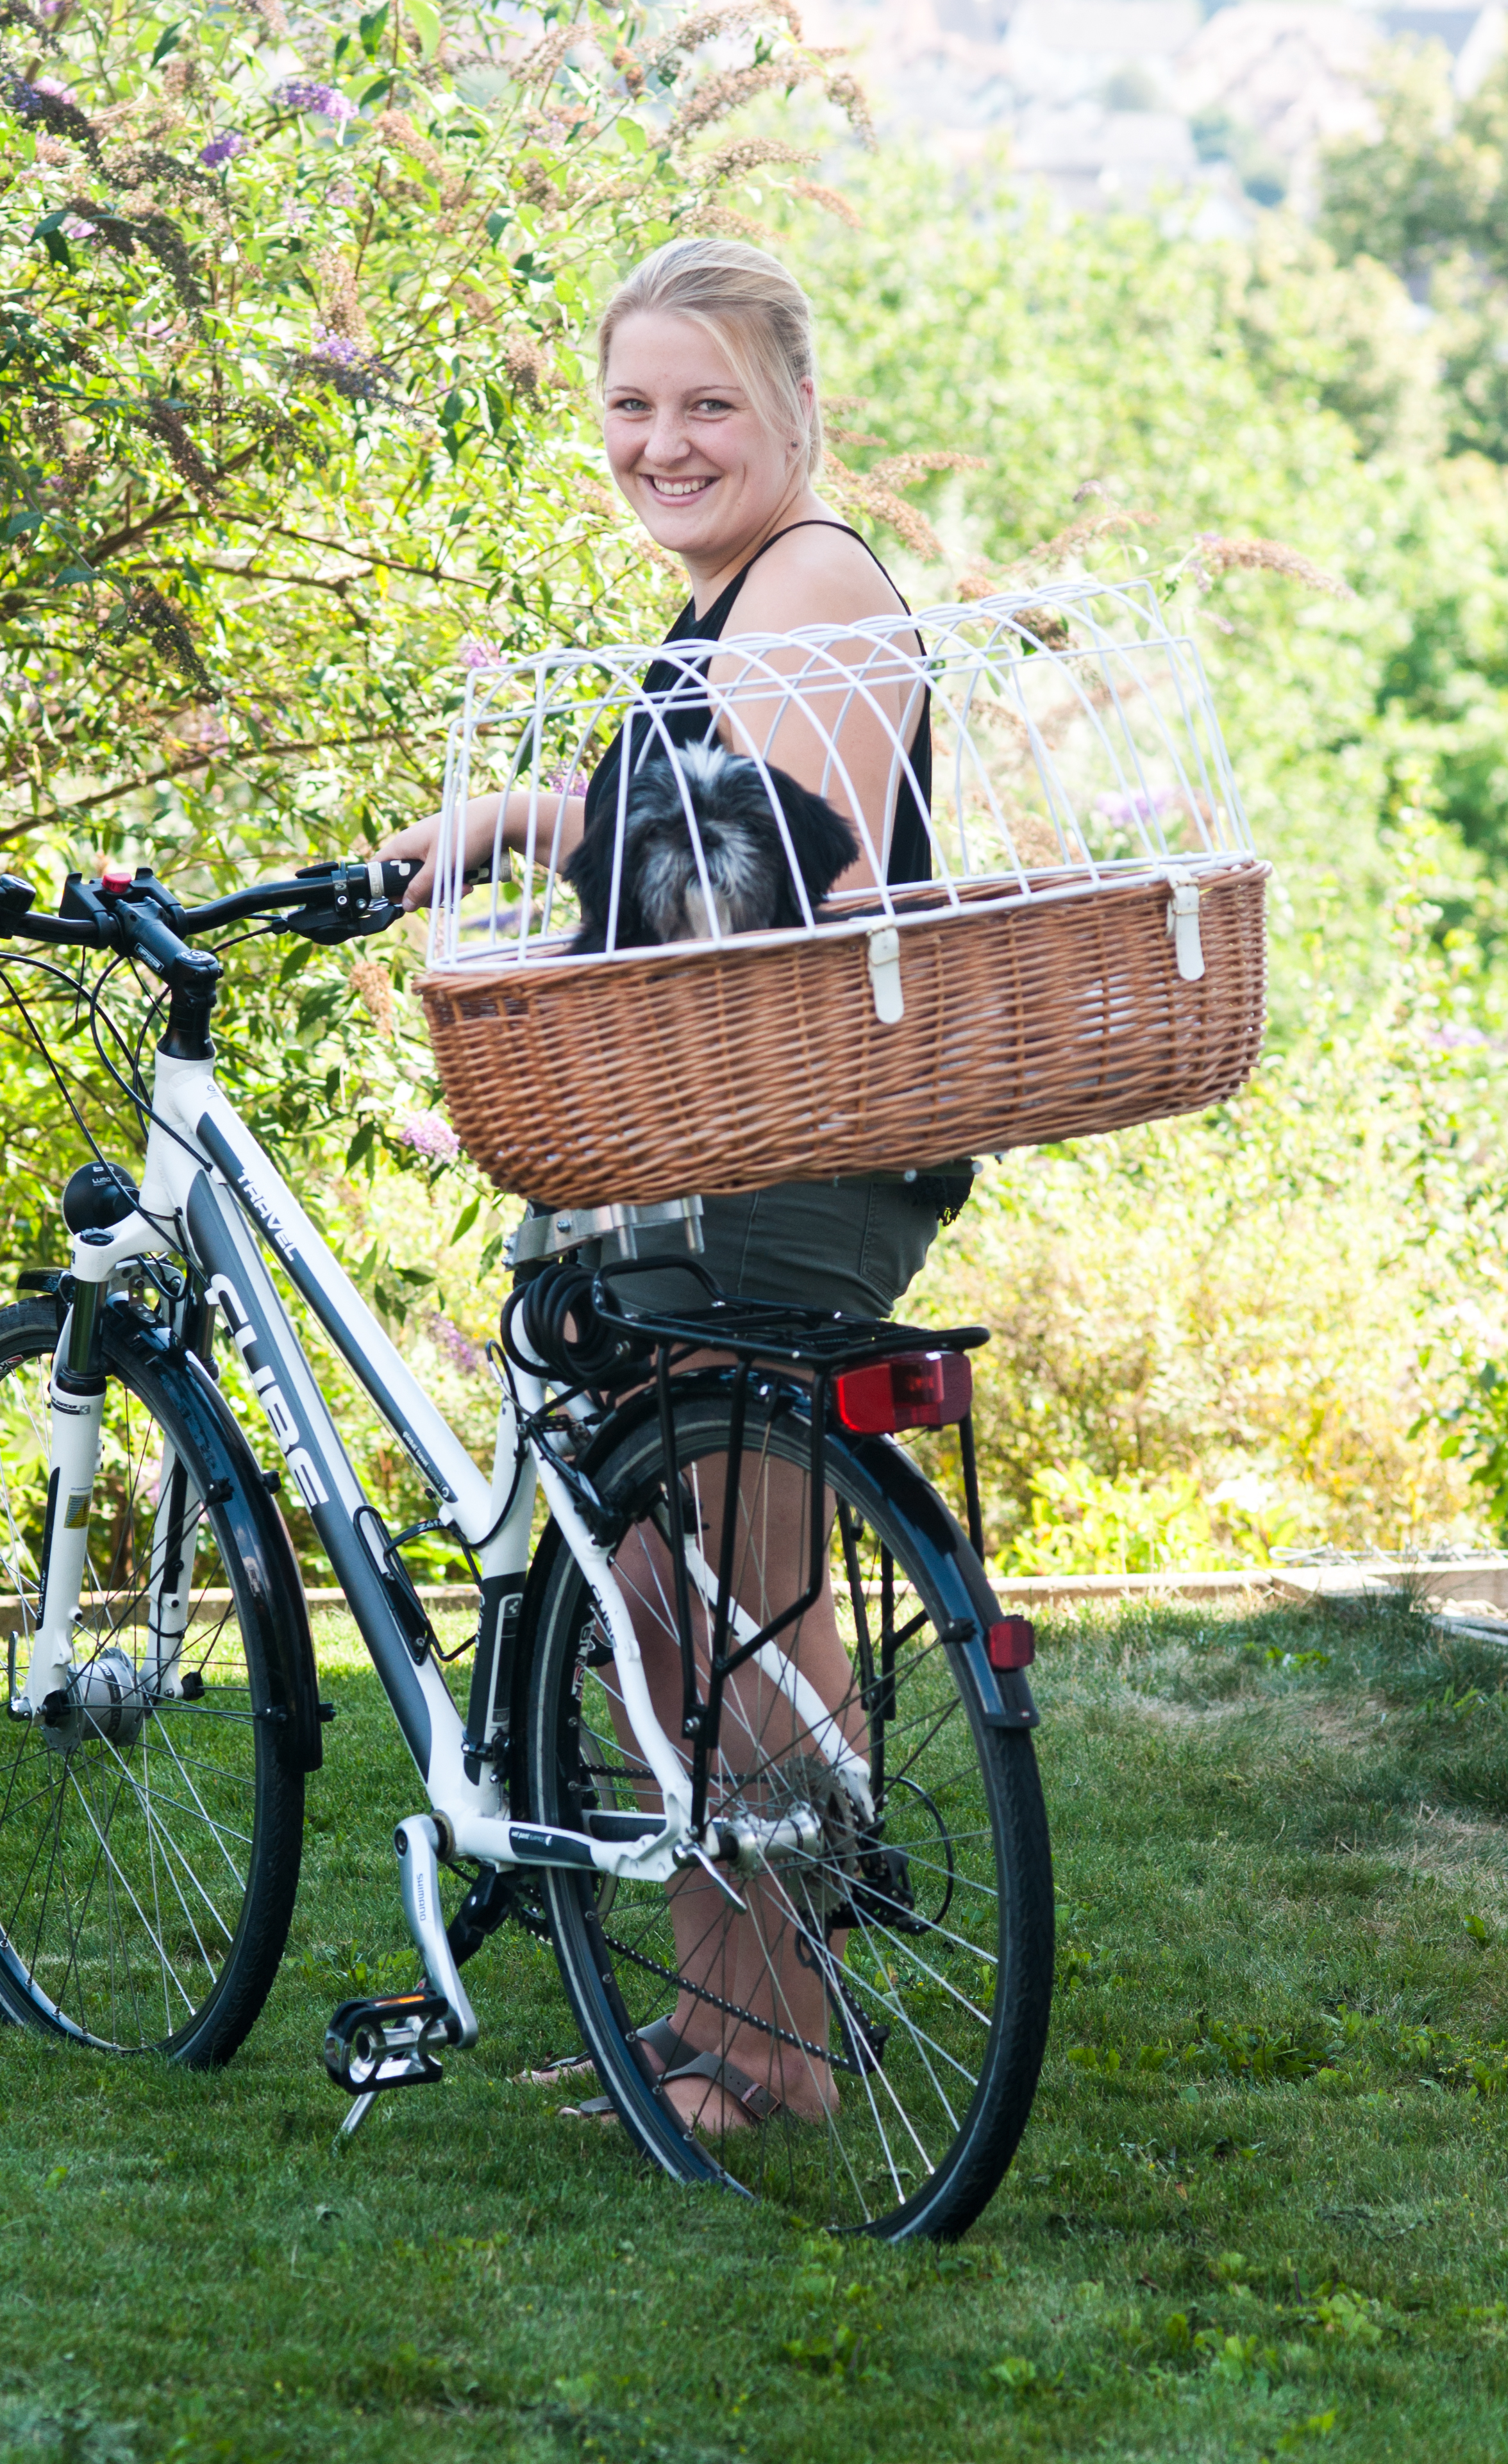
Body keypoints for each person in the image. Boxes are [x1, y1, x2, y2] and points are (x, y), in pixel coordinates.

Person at [378, 237, 972, 2133]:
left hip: (778, 1167)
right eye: (632, 405)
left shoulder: (807, 574)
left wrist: (553, 849)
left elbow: (760, 857)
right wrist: (522, 819)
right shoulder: (731, 600)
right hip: (727, 1151)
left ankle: (777, 2042)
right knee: (671, 1597)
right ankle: (730, 2037)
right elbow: (694, 818)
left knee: (735, 1595)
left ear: (800, 412)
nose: (664, 440)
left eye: (709, 402)